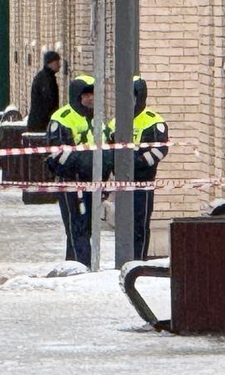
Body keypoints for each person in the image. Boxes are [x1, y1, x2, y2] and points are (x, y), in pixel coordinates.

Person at [46, 74, 112, 269]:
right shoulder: (62, 119)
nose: (90, 98)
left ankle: (73, 266)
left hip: (93, 183)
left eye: (93, 94)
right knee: (77, 228)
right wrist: (89, 162)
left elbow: (107, 148)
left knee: (86, 228)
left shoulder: (98, 119)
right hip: (71, 183)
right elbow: (58, 154)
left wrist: (104, 170)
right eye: (86, 95)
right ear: (77, 96)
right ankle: (82, 267)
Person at [109, 76, 168, 260]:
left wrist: (137, 162)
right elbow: (108, 149)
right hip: (121, 182)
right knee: (124, 225)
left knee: (140, 225)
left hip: (143, 182)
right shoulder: (115, 121)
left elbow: (160, 150)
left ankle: (139, 260)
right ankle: (124, 260)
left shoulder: (153, 121)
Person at [27, 50, 61, 132]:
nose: (59, 65)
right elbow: (48, 102)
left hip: (41, 122)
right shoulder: (46, 79)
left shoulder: (47, 77)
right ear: (50, 63)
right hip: (41, 124)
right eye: (57, 62)